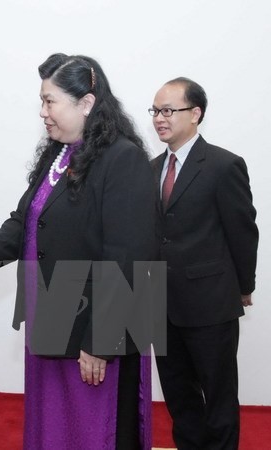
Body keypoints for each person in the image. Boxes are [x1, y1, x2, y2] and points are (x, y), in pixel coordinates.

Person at [0, 54, 157, 449]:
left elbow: (127, 259)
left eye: (50, 101)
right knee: (55, 427)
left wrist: (99, 342)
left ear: (86, 103)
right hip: (53, 320)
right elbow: (26, 218)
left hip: (94, 332)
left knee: (95, 431)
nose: (42, 112)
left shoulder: (123, 160)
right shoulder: (59, 154)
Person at [150, 78, 258, 449]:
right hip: (161, 307)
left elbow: (242, 232)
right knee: (180, 400)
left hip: (211, 303)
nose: (159, 119)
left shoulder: (223, 165)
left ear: (195, 114)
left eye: (168, 110)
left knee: (219, 397)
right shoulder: (149, 170)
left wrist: (244, 287)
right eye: (155, 111)